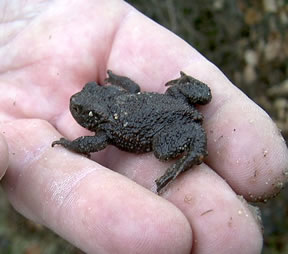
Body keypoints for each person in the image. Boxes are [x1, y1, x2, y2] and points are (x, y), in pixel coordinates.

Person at [0, 0, 287, 253]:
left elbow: (93, 143)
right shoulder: (116, 107)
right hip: (169, 103)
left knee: (162, 151)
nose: (77, 105)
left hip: (165, 124)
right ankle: (187, 117)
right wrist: (114, 81)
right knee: (179, 102)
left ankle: (191, 155)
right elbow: (131, 90)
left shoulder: (106, 129)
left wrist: (70, 144)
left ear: (91, 117)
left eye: (81, 110)